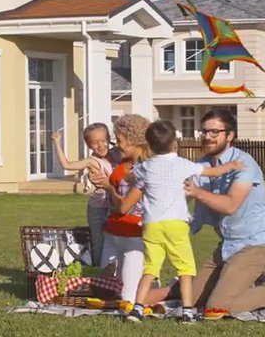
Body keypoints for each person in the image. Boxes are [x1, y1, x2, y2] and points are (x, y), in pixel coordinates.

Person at [146, 108, 265, 316]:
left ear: (229, 136)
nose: (207, 137)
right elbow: (178, 193)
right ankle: (244, 280)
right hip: (226, 246)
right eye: (204, 132)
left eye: (214, 132)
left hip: (253, 244)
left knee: (218, 307)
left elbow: (231, 205)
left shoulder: (244, 164)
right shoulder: (202, 165)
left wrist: (197, 192)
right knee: (191, 299)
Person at [116, 120, 242, 323]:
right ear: (174, 143)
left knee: (150, 269)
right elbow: (211, 172)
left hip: (152, 225)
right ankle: (187, 310)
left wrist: (133, 176)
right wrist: (232, 165)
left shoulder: (146, 167)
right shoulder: (183, 165)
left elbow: (129, 177)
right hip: (176, 224)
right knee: (185, 270)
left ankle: (137, 309)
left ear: (149, 145)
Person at [89, 114, 150, 303]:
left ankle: (173, 291)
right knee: (107, 292)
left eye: (120, 140)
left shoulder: (147, 168)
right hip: (113, 234)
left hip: (134, 236)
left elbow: (124, 207)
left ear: (133, 140)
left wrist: (108, 187)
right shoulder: (122, 163)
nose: (117, 145)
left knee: (127, 298)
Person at [52, 123, 119, 267]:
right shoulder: (92, 161)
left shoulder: (116, 154)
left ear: (109, 139)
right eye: (95, 143)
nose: (100, 146)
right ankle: (98, 272)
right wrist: (57, 142)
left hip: (116, 204)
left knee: (116, 241)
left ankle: (113, 272)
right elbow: (67, 165)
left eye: (103, 141)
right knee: (98, 242)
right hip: (98, 208)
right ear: (89, 145)